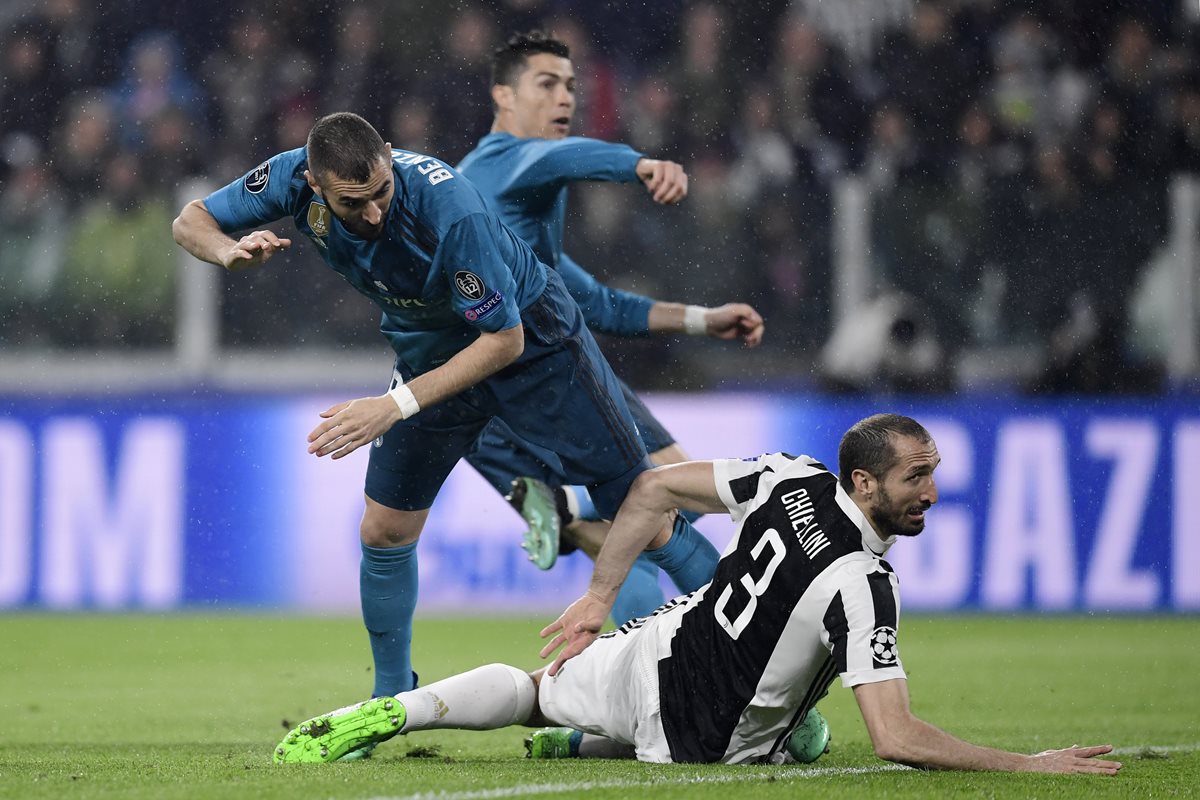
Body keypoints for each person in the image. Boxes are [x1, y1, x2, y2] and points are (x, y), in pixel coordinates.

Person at [171, 112, 721, 705]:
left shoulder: (450, 212)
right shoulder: (287, 178)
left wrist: (394, 405)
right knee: (384, 530)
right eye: (354, 203)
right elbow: (190, 220)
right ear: (312, 183)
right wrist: (229, 253)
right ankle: (388, 700)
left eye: (382, 191)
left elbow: (503, 341)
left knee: (644, 508)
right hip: (431, 352)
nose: (375, 212)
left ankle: (756, 667)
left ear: (389, 153)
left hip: (535, 348)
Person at [272, 414, 1123, 775]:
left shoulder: (789, 476)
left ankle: (399, 711)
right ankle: (595, 746)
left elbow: (651, 490)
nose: (932, 490)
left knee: (533, 694)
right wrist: (1025, 763)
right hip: (700, 739)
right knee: (808, 743)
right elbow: (896, 737)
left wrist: (600, 596)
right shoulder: (864, 583)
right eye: (917, 476)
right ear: (866, 482)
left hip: (659, 644)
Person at [457, 30, 765, 623]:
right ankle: (708, 660)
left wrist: (706, 320)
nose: (564, 98)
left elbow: (600, 305)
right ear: (503, 95)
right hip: (525, 374)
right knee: (656, 509)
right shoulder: (502, 164)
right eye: (546, 84)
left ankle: (572, 529)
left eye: (571, 86)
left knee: (667, 505)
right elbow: (563, 158)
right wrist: (640, 164)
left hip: (565, 360)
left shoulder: (519, 215)